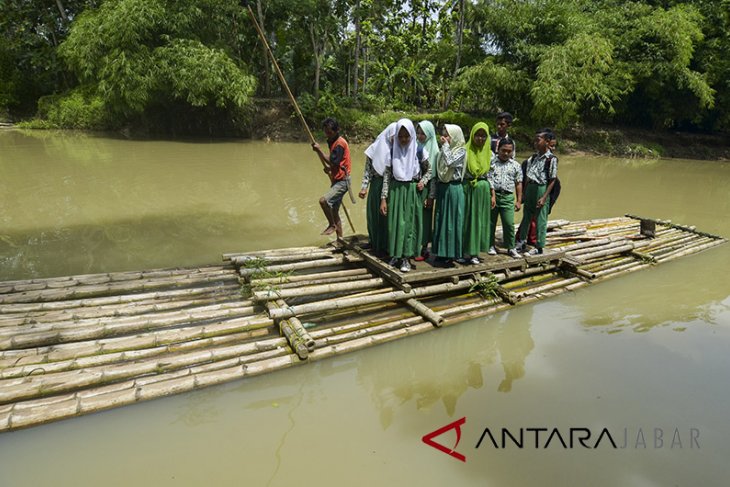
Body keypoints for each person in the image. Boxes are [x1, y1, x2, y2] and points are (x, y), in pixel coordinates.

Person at [380, 119, 425, 272]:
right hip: (396, 190)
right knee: (395, 224)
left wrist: (423, 182)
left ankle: (406, 257)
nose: (404, 139)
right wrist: (383, 199)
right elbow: (386, 176)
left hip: (412, 191)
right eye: (400, 136)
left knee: (409, 225)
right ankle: (395, 254)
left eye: (407, 136)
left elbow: (430, 170)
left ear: (412, 135)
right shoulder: (392, 152)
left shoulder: (419, 151)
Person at [516, 129, 558, 255]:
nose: (535, 142)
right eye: (535, 140)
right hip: (530, 188)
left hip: (541, 188)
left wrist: (545, 197)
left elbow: (552, 179)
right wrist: (523, 193)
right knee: (527, 216)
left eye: (538, 140)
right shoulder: (533, 158)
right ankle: (521, 241)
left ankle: (539, 246)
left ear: (547, 142)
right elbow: (528, 176)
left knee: (540, 218)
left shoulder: (551, 159)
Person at [431, 124, 467, 266]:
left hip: (454, 188)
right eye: (443, 135)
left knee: (452, 221)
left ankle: (451, 254)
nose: (444, 138)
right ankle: (440, 252)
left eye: (447, 136)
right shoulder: (443, 150)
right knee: (441, 219)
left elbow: (450, 161)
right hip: (443, 188)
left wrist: (445, 146)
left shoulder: (461, 151)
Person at [360, 122, 396, 255]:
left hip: (390, 187)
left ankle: (386, 245)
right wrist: (364, 187)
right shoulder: (374, 149)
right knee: (373, 215)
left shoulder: (398, 150)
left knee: (387, 217)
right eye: (393, 136)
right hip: (376, 185)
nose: (394, 139)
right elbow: (367, 171)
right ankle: (374, 241)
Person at [312, 117, 351, 239]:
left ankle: (332, 225)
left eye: (329, 132)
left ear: (336, 130)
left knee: (323, 201)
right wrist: (330, 170)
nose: (327, 134)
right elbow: (337, 162)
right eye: (326, 132)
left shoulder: (339, 143)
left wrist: (319, 151)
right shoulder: (332, 140)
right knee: (334, 211)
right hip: (337, 180)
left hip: (343, 181)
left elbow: (333, 161)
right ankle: (340, 240)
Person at [462, 122, 493, 264]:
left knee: (479, 221)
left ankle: (475, 253)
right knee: (466, 220)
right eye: (477, 135)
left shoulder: (490, 154)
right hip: (467, 188)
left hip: (482, 189)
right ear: (472, 135)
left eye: (483, 136)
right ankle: (463, 251)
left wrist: (493, 194)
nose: (480, 139)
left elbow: (492, 175)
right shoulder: (465, 151)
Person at [487, 137, 523, 258]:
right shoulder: (491, 163)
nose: (506, 153)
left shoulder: (516, 165)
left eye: (509, 151)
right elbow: (489, 179)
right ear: (498, 149)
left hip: (507, 197)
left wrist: (518, 200)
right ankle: (490, 245)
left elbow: (518, 183)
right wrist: (492, 195)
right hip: (493, 195)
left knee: (508, 224)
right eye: (503, 150)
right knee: (491, 222)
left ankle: (511, 247)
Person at [415, 121, 438, 261]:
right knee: (415, 218)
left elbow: (434, 177)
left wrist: (430, 197)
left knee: (425, 219)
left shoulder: (434, 151)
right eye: (418, 132)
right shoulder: (416, 147)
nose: (420, 135)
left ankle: (423, 248)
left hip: (427, 188)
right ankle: (414, 246)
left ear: (429, 134)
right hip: (417, 188)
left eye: (423, 133)